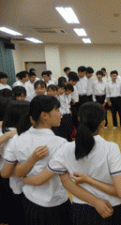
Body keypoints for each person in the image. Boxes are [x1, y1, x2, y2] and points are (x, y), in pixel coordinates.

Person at [22, 102, 121, 225]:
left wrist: (23, 179)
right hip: (112, 209)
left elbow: (42, 179)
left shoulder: (65, 149)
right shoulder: (111, 148)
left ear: (78, 120)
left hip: (81, 210)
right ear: (103, 124)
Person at [1, 95, 72, 225]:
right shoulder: (61, 143)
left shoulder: (17, 138)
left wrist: (25, 178)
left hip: (30, 201)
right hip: (54, 202)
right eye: (57, 110)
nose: (61, 114)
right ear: (44, 115)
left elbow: (16, 172)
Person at [0, 101, 29, 225]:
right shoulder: (7, 131)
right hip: (8, 175)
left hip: (16, 177)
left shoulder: (25, 132)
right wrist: (7, 136)